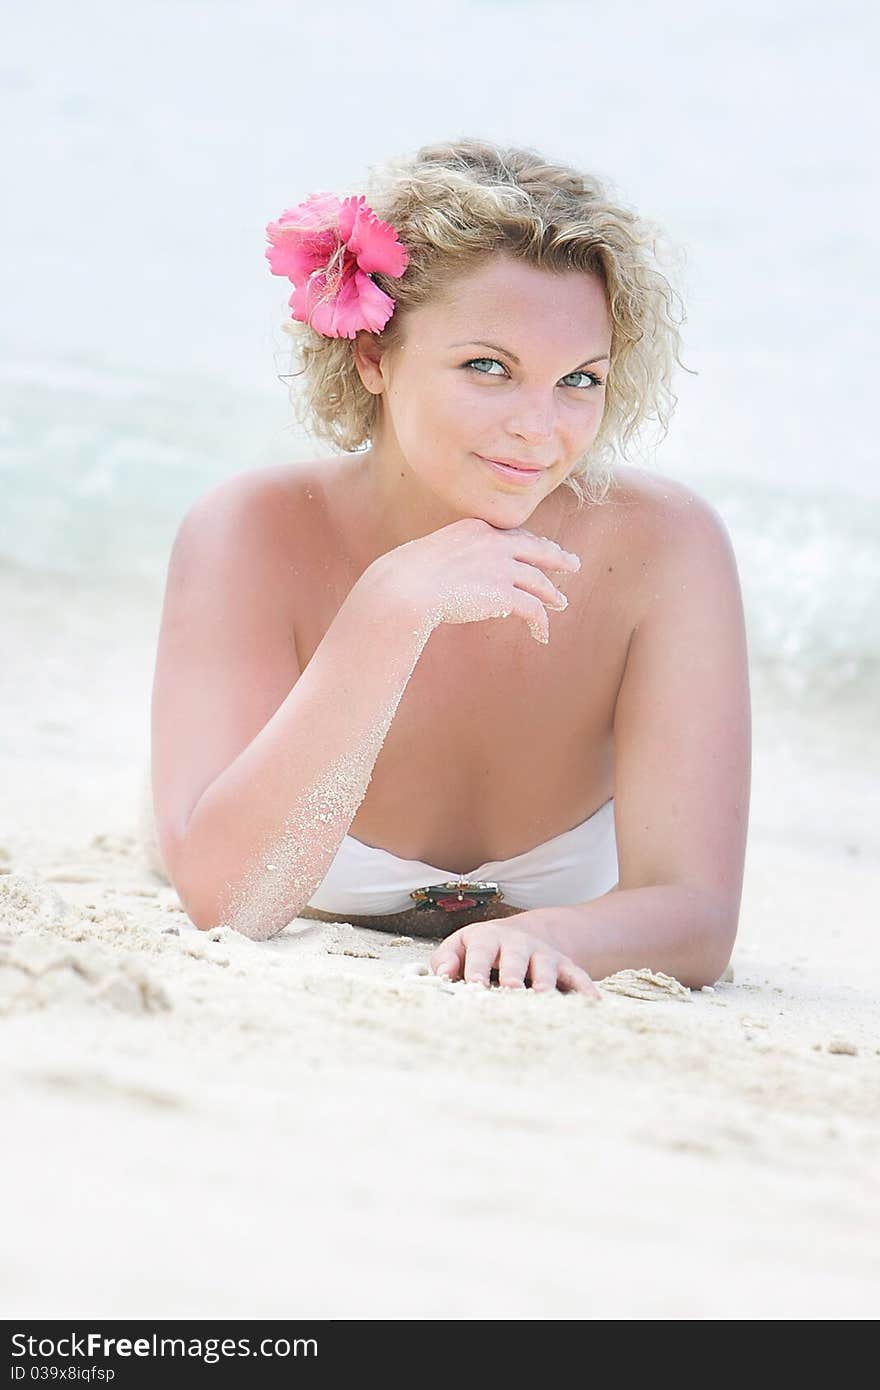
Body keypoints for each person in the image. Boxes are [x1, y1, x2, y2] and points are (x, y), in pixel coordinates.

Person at [146, 137, 751, 997]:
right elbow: (231, 901)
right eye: (487, 368)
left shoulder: (664, 550)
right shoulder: (249, 530)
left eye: (579, 380)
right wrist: (386, 612)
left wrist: (559, 931)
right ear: (372, 356)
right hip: (219, 817)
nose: (540, 430)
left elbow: (695, 913)